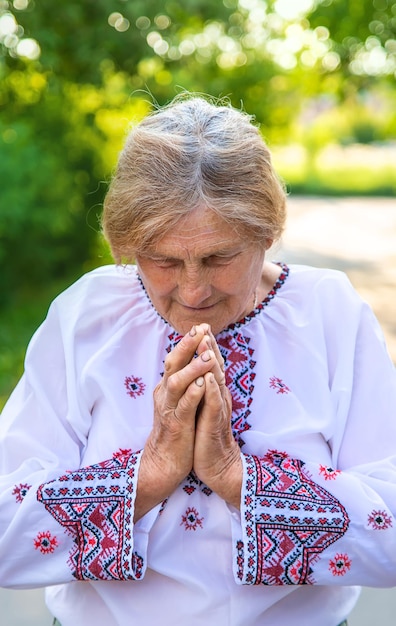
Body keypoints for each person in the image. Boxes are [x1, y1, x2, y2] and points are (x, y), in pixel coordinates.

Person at [0, 94, 395, 626]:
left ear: (267, 232)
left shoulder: (328, 314)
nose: (191, 292)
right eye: (161, 260)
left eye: (218, 258)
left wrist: (237, 479)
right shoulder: (87, 317)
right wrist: (151, 474)